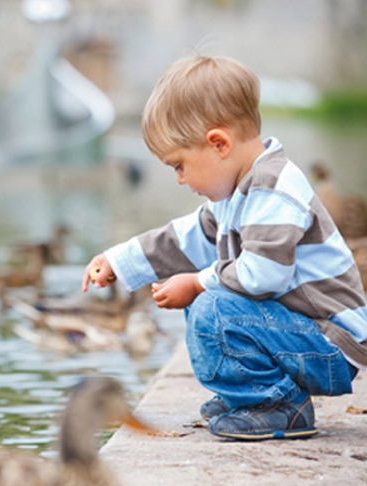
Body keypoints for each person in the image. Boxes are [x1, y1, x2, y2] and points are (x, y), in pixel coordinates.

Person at [82, 54, 367, 441]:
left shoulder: (274, 189)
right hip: (302, 334)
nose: (180, 179)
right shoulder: (236, 194)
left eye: (179, 165)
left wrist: (198, 283)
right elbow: (186, 239)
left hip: (330, 344)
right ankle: (253, 392)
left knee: (212, 304)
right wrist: (121, 258)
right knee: (204, 299)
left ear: (218, 143)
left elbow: (263, 275)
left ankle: (277, 404)